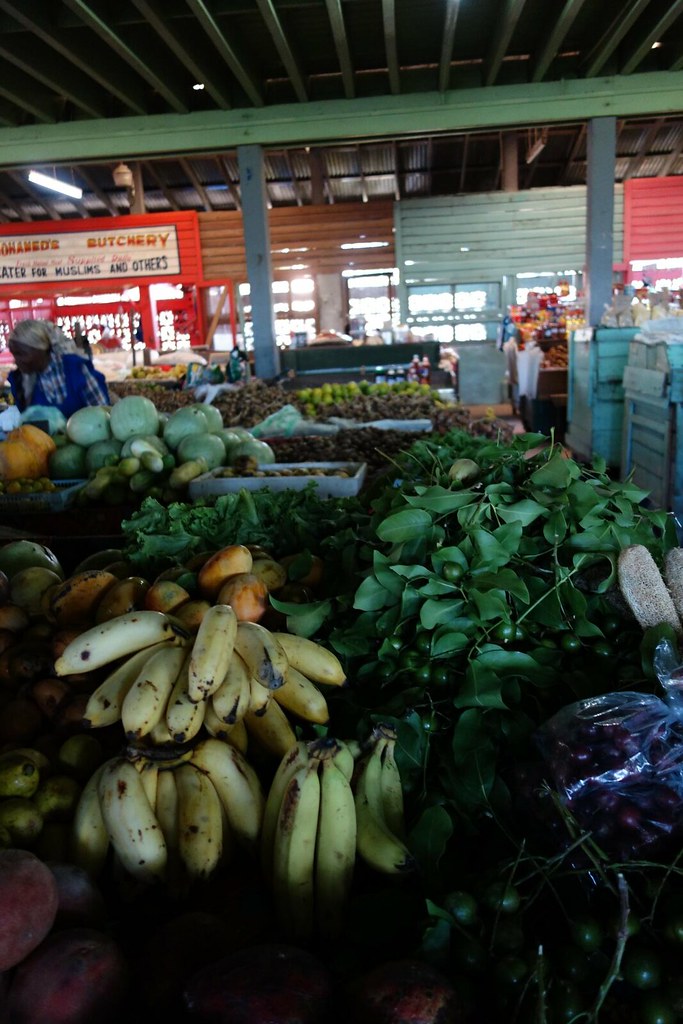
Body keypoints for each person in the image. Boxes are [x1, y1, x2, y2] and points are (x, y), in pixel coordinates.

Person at [7, 319, 110, 418]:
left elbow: (102, 413)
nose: (16, 360)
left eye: (21, 354)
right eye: (14, 354)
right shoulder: (20, 382)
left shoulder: (76, 371)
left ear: (41, 349)